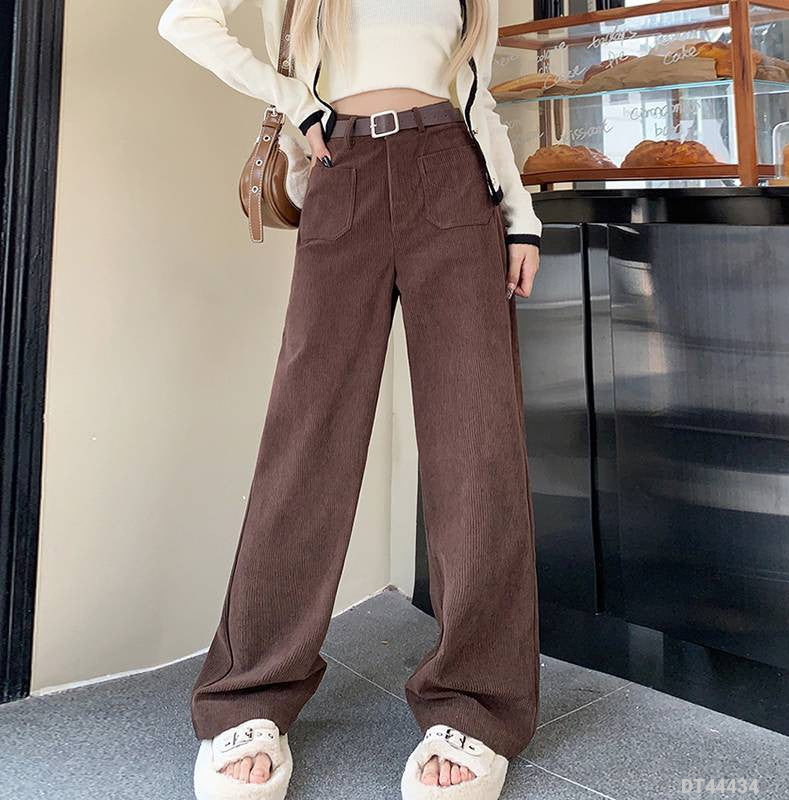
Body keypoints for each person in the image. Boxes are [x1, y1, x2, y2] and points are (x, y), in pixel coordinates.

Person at [157, 1, 542, 798]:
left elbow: (479, 98)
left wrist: (522, 217)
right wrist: (294, 100)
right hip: (344, 171)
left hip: (454, 173)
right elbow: (184, 19)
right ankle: (248, 695)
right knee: (307, 442)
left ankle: (475, 708)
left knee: (477, 446)